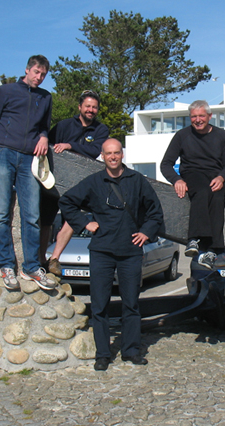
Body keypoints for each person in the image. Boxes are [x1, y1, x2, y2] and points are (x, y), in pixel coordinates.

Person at [59, 139, 164, 371]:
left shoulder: (137, 180)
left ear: (122, 154)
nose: (113, 157)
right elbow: (67, 201)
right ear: (103, 156)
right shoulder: (94, 181)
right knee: (99, 305)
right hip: (101, 251)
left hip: (130, 251)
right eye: (109, 154)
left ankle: (131, 350)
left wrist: (146, 232)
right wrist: (85, 223)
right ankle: (103, 354)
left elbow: (155, 212)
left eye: (116, 153)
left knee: (131, 304)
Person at [0, 55, 56, 291]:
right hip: (2, 151)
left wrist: (43, 136)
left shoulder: (46, 97)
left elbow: (44, 126)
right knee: (1, 213)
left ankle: (31, 266)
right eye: (36, 72)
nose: (39, 77)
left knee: (32, 214)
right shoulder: (6, 91)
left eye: (43, 75)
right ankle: (6, 265)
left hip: (29, 158)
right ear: (27, 70)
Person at [39, 90, 109, 276]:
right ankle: (41, 259)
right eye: (87, 106)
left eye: (94, 107)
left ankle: (55, 258)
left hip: (78, 185)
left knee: (71, 219)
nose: (91, 110)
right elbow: (47, 146)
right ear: (79, 107)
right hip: (54, 182)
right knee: (45, 221)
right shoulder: (63, 126)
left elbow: (94, 151)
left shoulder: (101, 130)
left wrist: (70, 146)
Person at [160, 100, 225, 270]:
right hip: (193, 173)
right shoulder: (182, 135)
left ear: (209, 116)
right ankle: (194, 239)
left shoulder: (222, 135)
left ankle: (214, 250)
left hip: (216, 175)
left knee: (218, 199)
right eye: (194, 116)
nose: (198, 120)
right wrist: (176, 180)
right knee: (202, 191)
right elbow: (166, 164)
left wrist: (222, 177)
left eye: (201, 116)